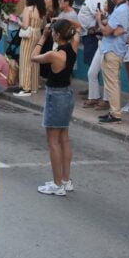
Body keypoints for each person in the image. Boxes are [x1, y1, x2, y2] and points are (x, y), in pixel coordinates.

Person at [31, 20, 81, 196]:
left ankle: (57, 183)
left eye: (53, 32)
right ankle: (65, 180)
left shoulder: (55, 54)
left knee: (53, 142)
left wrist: (42, 37)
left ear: (57, 35)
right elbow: (78, 30)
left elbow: (33, 56)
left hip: (56, 95)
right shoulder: (73, 46)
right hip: (67, 94)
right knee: (64, 138)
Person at [96, 0, 129, 123]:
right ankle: (113, 110)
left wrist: (99, 20)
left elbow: (106, 31)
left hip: (112, 50)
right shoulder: (120, 8)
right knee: (111, 83)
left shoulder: (121, 10)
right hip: (113, 49)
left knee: (112, 84)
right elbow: (112, 29)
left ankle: (115, 113)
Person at [78, 0, 108, 106]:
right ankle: (92, 91)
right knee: (91, 65)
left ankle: (95, 94)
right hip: (86, 33)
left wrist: (95, 28)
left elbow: (100, 14)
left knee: (93, 65)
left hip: (92, 35)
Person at [14, 0, 46, 97]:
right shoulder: (42, 10)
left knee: (26, 61)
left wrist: (17, 20)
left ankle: (25, 88)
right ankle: (33, 86)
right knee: (35, 60)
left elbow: (25, 25)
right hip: (38, 34)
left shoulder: (29, 8)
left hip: (28, 36)